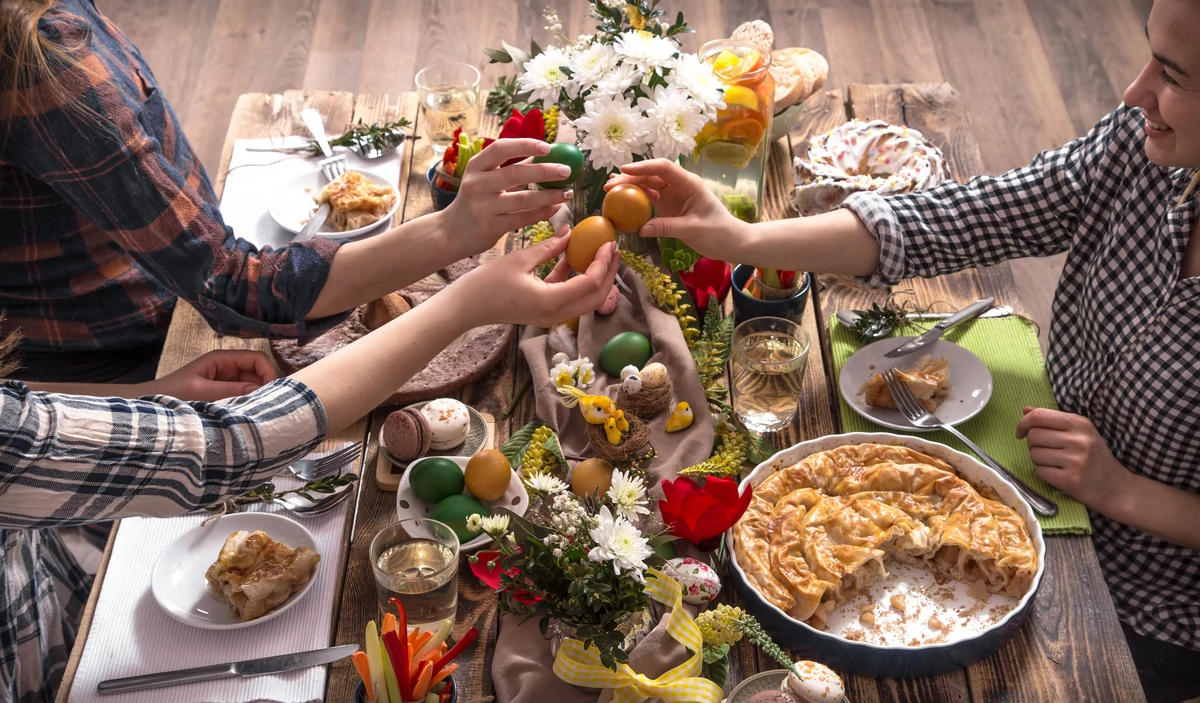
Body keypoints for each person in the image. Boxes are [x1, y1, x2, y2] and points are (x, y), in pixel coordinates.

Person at [608, 0, 1200, 699]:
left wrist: (1121, 489)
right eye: (1147, 57)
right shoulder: (1142, 149)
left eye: (1172, 74)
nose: (1134, 91)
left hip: (1152, 603)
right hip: (1040, 463)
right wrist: (742, 239)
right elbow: (968, 216)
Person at [0, 229, 619, 701]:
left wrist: (150, 398)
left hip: (41, 555)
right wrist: (465, 305)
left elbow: (22, 412)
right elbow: (231, 448)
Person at [0, 0, 574, 384]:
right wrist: (452, 232)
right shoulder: (45, 58)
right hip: (130, 359)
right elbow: (228, 283)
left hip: (161, 307)